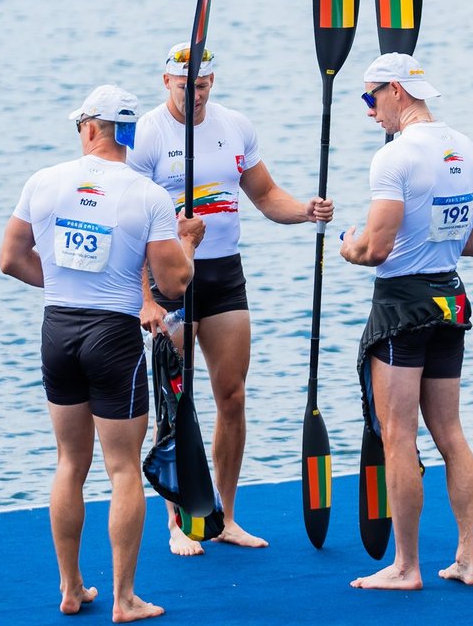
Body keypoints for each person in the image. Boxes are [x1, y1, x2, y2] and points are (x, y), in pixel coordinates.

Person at [0, 84, 205, 621]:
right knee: (121, 471)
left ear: (90, 128)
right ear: (129, 135)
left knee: (69, 462)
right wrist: (187, 241)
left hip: (58, 329)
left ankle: (70, 589)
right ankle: (123, 598)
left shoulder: (43, 182)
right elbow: (176, 284)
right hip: (113, 335)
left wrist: (64, 289)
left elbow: (10, 258)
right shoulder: (147, 195)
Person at [127, 43, 334, 554]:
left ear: (212, 83)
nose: (193, 94)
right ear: (165, 81)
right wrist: (144, 301)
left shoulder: (235, 126)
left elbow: (265, 196)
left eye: (201, 85)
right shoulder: (147, 136)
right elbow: (126, 226)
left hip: (224, 275)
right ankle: (178, 521)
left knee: (233, 397)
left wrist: (306, 210)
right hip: (166, 279)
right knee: (173, 402)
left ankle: (224, 516)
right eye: (184, 85)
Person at [340, 53, 473, 590]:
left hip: (402, 305)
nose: (368, 111)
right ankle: (469, 559)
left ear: (397, 92)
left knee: (398, 436)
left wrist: (346, 245)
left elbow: (376, 250)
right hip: (451, 298)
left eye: (369, 98)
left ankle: (406, 568)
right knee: (450, 431)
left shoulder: (395, 159)